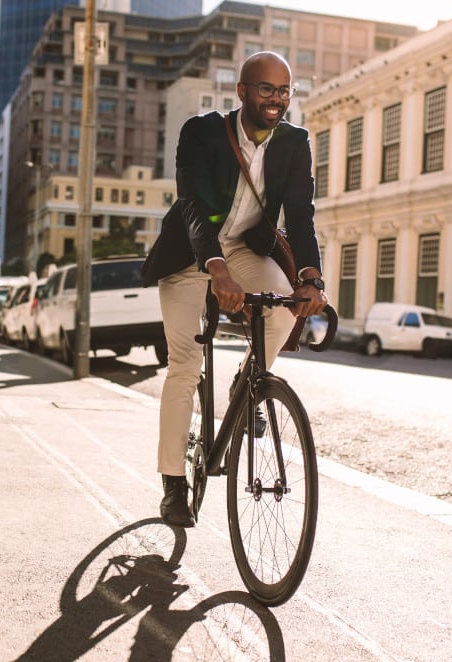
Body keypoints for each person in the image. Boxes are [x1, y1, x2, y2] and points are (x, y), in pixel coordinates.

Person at [141, 51, 328, 528]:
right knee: (183, 368)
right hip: (190, 256)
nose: (277, 99)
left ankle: (245, 386)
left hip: (245, 250)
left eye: (285, 91)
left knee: (285, 310)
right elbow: (193, 206)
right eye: (266, 89)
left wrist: (310, 277)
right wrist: (215, 267)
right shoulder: (201, 132)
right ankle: (173, 485)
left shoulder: (294, 142)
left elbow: (301, 214)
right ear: (242, 91)